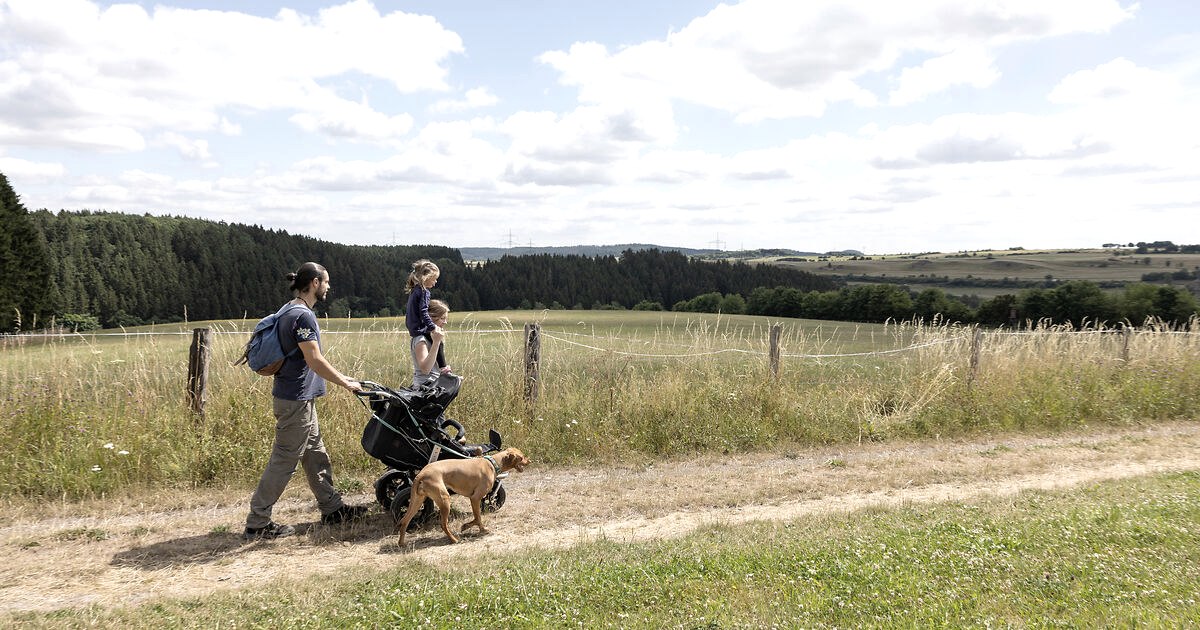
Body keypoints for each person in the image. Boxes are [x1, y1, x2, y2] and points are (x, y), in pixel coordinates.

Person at [243, 262, 368, 540]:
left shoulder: (289, 309)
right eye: (326, 282)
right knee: (284, 459)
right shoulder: (303, 317)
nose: (328, 287)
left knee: (314, 453)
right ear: (314, 283)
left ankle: (332, 508)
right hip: (295, 400)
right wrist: (345, 382)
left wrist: (342, 378)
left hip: (299, 398)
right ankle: (258, 521)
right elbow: (314, 360)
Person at [405, 259, 444, 371]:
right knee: (438, 342)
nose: (435, 282)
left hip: (413, 328)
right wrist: (433, 327)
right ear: (426, 277)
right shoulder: (424, 291)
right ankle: (443, 368)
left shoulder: (414, 290)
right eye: (434, 279)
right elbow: (423, 312)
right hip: (419, 328)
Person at [411, 298, 453, 387]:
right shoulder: (421, 339)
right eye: (442, 318)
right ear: (430, 318)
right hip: (423, 388)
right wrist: (436, 342)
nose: (445, 322)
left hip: (434, 386)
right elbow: (425, 369)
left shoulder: (431, 337)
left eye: (446, 319)